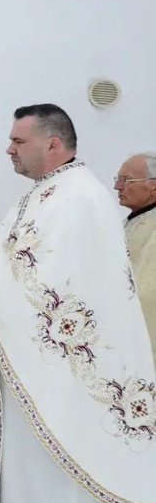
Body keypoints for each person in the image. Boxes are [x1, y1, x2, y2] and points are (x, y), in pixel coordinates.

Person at [0, 105, 156, 503]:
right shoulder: (52, 192)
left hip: (60, 384)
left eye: (18, 141)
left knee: (54, 490)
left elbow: (50, 291)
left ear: (52, 144)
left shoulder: (78, 197)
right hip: (34, 376)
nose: (8, 149)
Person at [117, 152, 156, 372]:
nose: (117, 186)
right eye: (118, 179)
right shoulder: (133, 220)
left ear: (154, 186)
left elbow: (147, 294)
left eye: (126, 180)